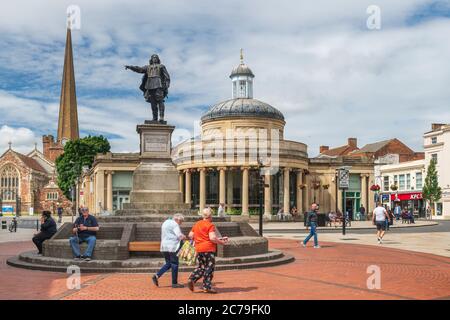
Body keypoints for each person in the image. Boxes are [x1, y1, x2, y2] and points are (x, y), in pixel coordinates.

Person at [187, 207, 228, 294]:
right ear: (210, 216)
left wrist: (200, 239)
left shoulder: (197, 224)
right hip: (208, 249)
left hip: (199, 248)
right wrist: (221, 242)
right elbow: (212, 238)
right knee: (209, 268)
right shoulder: (210, 225)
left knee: (201, 267)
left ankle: (192, 279)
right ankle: (207, 287)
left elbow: (190, 235)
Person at [152, 214, 186, 288]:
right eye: (181, 222)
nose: (181, 223)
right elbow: (179, 235)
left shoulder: (165, 222)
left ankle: (157, 276)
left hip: (164, 246)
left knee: (168, 263)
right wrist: (184, 237)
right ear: (178, 220)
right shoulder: (175, 224)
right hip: (173, 246)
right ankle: (174, 283)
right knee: (174, 264)